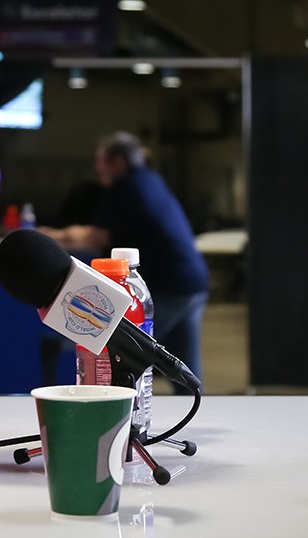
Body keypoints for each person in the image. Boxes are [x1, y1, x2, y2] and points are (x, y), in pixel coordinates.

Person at [41, 131, 209, 393]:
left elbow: (95, 236)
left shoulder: (126, 186)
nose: (97, 168)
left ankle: (108, 404)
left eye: (100, 161)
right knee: (184, 372)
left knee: (115, 347)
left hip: (169, 286)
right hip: (193, 281)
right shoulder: (150, 179)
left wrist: (45, 235)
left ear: (117, 162)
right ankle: (192, 408)